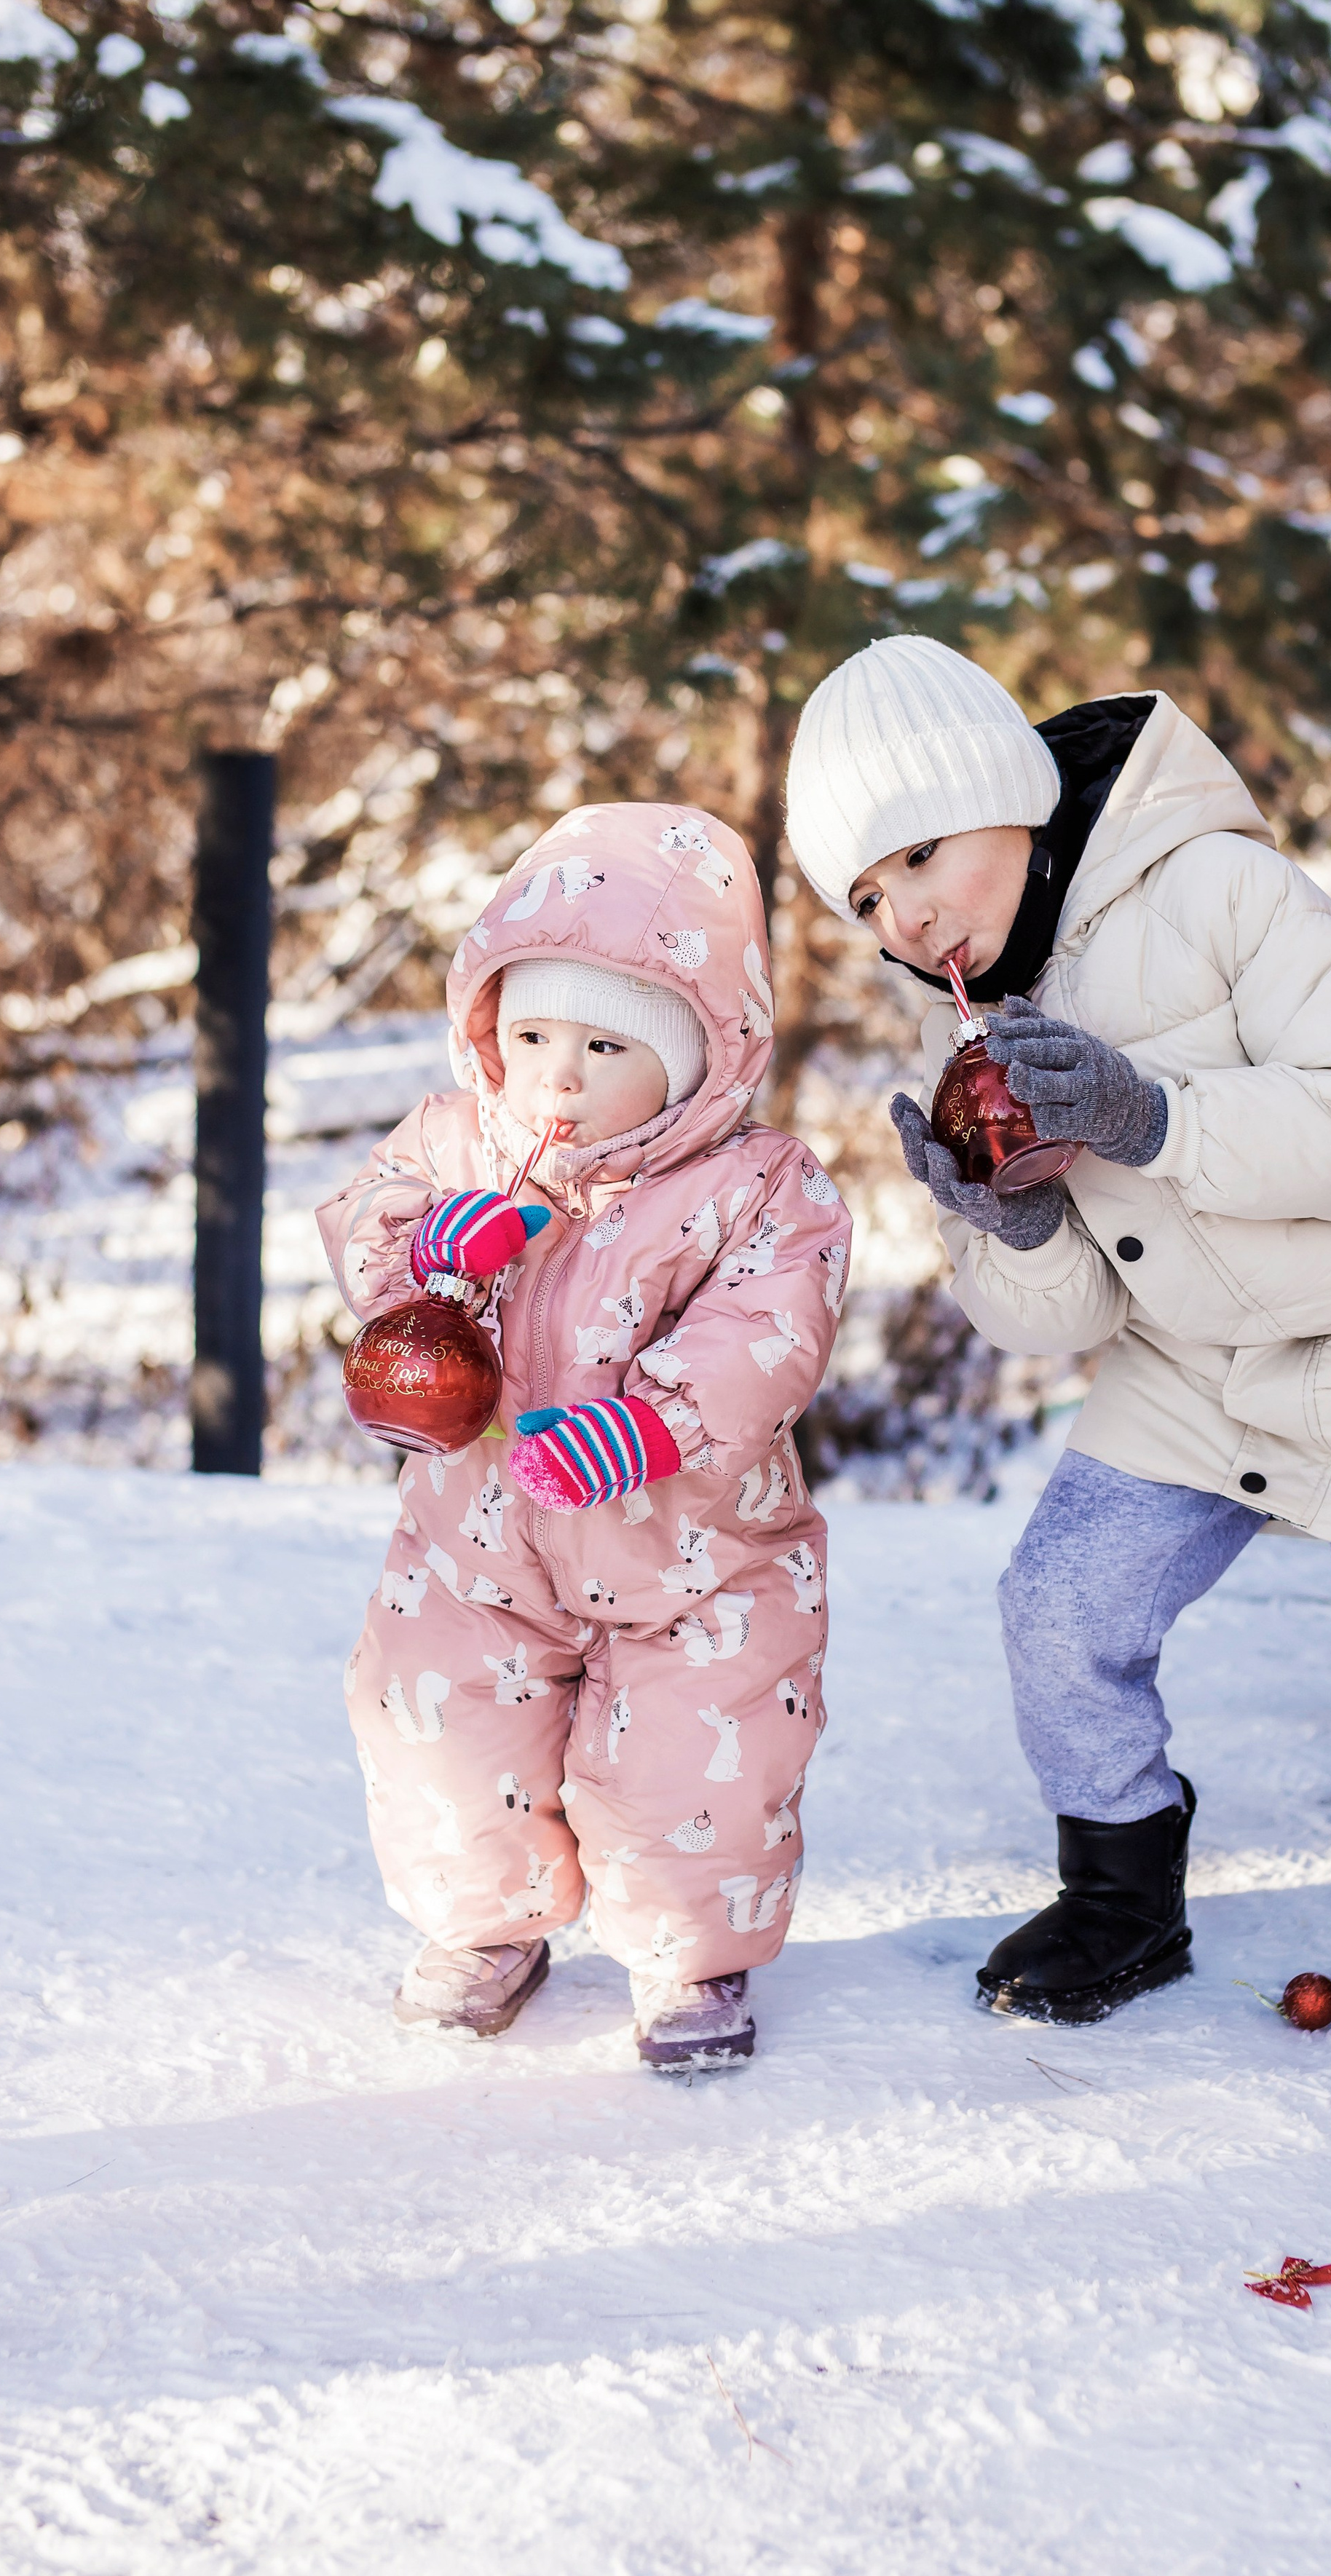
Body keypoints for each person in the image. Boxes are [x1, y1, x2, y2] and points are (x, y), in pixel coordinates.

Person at [783, 634, 1331, 2061]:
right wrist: (1011, 1224)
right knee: (1060, 1607)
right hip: (1200, 1360)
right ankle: (1120, 1897)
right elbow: (1072, 1321)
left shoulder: (1219, 888)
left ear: (1007, 797)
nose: (902, 916)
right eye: (863, 899)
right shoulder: (968, 1036)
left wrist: (1142, 1113)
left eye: (916, 856)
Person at [317, 802, 849, 2071]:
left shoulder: (756, 1186)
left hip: (694, 1558)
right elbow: (361, 1219)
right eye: (531, 1034)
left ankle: (689, 1955)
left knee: (697, 1759)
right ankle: (484, 1930)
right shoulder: (456, 1143)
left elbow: (771, 1326)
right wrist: (423, 1254)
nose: (557, 1076)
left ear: (699, 1057)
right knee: (445, 1740)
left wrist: (654, 1424)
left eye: (606, 1045)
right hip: (474, 1547)